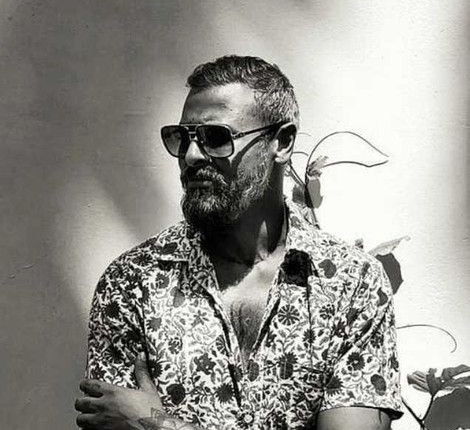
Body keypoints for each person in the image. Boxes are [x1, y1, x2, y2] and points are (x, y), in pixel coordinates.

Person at [75, 55, 402, 430]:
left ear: (282, 142)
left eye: (216, 138)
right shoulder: (133, 283)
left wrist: (158, 423)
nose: (191, 156)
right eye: (182, 138)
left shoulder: (349, 282)